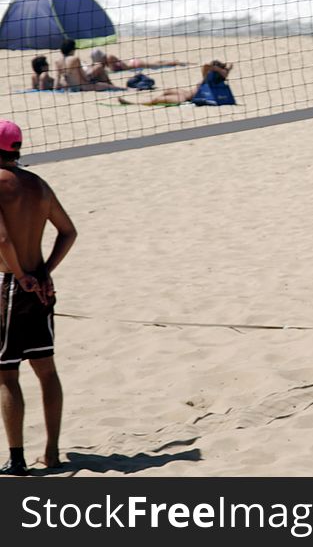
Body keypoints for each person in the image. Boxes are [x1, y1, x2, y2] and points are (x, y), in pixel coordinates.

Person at [0, 120, 77, 476]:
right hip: (40, 288)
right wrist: (44, 271)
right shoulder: (38, 184)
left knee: (6, 374)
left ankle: (16, 460)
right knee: (46, 370)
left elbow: (2, 240)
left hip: (11, 286)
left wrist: (20, 276)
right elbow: (68, 231)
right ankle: (52, 452)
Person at [117, 60, 232, 106]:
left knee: (156, 101)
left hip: (185, 98)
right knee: (168, 90)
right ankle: (147, 100)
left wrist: (217, 69)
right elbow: (229, 65)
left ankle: (135, 104)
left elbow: (207, 66)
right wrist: (220, 69)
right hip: (187, 92)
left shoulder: (212, 78)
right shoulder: (212, 76)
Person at [54, 39, 120, 92]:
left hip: (69, 87)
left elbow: (57, 82)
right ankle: (114, 85)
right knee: (99, 68)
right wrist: (93, 79)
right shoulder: (75, 59)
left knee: (96, 70)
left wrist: (56, 90)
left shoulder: (57, 62)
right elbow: (85, 77)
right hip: (81, 87)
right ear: (72, 50)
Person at [89, 49, 185, 73]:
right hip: (133, 64)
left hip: (135, 65)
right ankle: (174, 61)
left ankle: (175, 62)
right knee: (155, 63)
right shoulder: (107, 59)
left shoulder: (109, 58)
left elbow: (114, 70)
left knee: (156, 65)